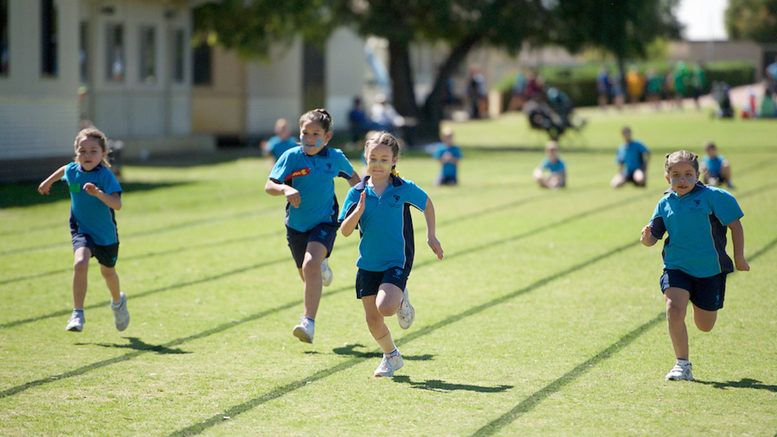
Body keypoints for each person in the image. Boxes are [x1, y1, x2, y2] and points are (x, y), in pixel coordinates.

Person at [339, 131, 444, 377]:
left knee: (385, 307)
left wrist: (431, 235)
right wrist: (358, 210)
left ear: (394, 161)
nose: (377, 164)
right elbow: (344, 231)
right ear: (365, 157)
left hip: (397, 260)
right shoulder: (356, 192)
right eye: (373, 158)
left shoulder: (403, 188)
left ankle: (399, 298)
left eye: (384, 159)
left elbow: (427, 203)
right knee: (373, 320)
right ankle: (391, 356)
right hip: (368, 263)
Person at [640, 150, 749, 381]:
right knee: (674, 308)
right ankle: (682, 364)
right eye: (676, 175)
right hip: (676, 266)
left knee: (705, 325)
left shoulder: (715, 197)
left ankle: (696, 303)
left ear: (698, 175)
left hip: (710, 271)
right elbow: (653, 238)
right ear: (667, 177)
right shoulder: (665, 203)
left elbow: (735, 226)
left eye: (688, 174)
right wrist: (646, 238)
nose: (682, 180)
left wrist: (739, 257)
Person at [264, 108, 361, 344]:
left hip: (325, 221)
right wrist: (285, 189)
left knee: (310, 265)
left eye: (315, 133)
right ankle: (322, 267)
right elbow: (269, 185)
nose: (309, 138)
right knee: (307, 274)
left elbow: (355, 181)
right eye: (305, 133)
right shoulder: (291, 157)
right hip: (296, 226)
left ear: (327, 137)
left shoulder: (335, 157)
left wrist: (360, 204)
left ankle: (308, 322)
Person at [37, 127, 130, 333]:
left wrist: (98, 194)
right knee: (80, 263)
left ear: (103, 154)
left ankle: (118, 303)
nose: (87, 155)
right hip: (81, 230)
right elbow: (64, 169)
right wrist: (48, 181)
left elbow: (117, 204)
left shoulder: (105, 175)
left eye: (93, 151)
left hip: (105, 235)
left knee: (108, 273)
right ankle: (77, 313)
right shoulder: (73, 171)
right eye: (82, 150)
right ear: (76, 152)